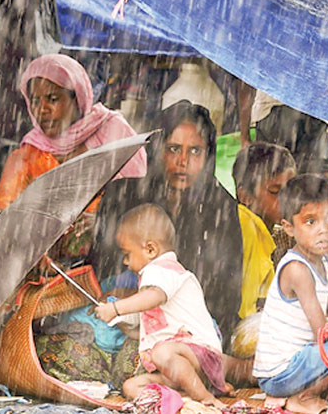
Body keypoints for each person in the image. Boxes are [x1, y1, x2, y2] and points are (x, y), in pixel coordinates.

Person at [0, 54, 147, 245]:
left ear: (77, 99)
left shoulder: (114, 134)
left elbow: (139, 204)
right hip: (50, 268)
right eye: (35, 101)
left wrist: (100, 222)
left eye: (52, 99)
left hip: (117, 254)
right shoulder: (27, 155)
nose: (42, 110)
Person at [88, 100, 243, 340]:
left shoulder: (220, 208)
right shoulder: (123, 195)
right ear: (158, 150)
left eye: (195, 151)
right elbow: (100, 269)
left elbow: (225, 296)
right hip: (120, 316)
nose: (183, 161)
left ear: (208, 156)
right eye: (173, 149)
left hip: (189, 328)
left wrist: (153, 302)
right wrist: (127, 301)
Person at [95, 204, 230, 407]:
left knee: (162, 353)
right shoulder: (152, 280)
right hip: (179, 368)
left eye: (127, 254)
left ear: (150, 249)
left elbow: (154, 296)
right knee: (131, 387)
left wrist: (116, 308)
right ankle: (186, 395)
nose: (125, 262)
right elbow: (144, 318)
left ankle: (205, 399)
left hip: (198, 355)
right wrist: (119, 319)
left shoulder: (162, 271)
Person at [253, 175, 328, 414]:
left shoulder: (325, 263)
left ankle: (309, 390)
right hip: (280, 374)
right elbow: (322, 332)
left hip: (300, 363)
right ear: (289, 228)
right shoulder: (297, 269)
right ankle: (303, 397)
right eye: (310, 221)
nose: (324, 230)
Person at [231, 142, 296, 319]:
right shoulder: (246, 224)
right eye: (275, 191)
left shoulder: (272, 232)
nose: (287, 198)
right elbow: (247, 311)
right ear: (246, 196)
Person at [238, 87, 328, 176]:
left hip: (278, 113)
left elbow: (246, 83)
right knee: (317, 180)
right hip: (315, 111)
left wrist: (244, 137)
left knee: (274, 177)